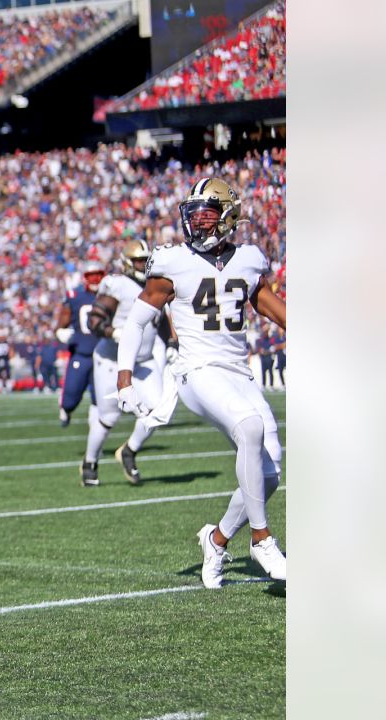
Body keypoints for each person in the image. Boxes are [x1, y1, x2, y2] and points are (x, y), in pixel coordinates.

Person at [116, 177, 287, 588]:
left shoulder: (248, 259)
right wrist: (125, 380)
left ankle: (217, 539)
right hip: (194, 371)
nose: (199, 224)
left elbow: (275, 309)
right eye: (194, 216)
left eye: (208, 215)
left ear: (228, 217)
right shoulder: (173, 261)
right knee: (249, 427)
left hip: (236, 371)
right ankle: (262, 540)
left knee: (269, 472)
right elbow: (136, 322)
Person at [79, 239, 176, 486]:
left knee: (158, 410)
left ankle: (129, 451)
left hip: (143, 361)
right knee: (108, 417)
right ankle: (90, 462)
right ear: (127, 262)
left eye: (145, 260)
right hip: (112, 359)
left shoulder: (158, 284)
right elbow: (95, 319)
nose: (143, 265)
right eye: (138, 261)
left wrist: (173, 342)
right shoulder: (117, 284)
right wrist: (112, 332)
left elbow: (161, 320)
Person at [54, 261, 106, 427]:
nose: (95, 279)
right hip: (81, 353)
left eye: (98, 275)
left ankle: (96, 430)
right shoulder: (75, 296)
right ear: (85, 278)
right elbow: (62, 323)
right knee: (71, 398)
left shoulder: (109, 295)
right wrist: (61, 331)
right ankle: (65, 407)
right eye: (91, 276)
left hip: (104, 355)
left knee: (100, 400)